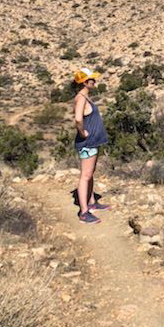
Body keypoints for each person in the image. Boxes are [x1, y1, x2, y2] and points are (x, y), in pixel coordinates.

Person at [71, 68, 111, 223]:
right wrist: (83, 133)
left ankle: (92, 203)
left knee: (90, 173)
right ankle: (84, 212)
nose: (94, 81)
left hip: (93, 142)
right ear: (83, 82)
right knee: (85, 176)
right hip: (87, 143)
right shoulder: (81, 98)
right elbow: (78, 119)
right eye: (91, 79)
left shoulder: (86, 97)